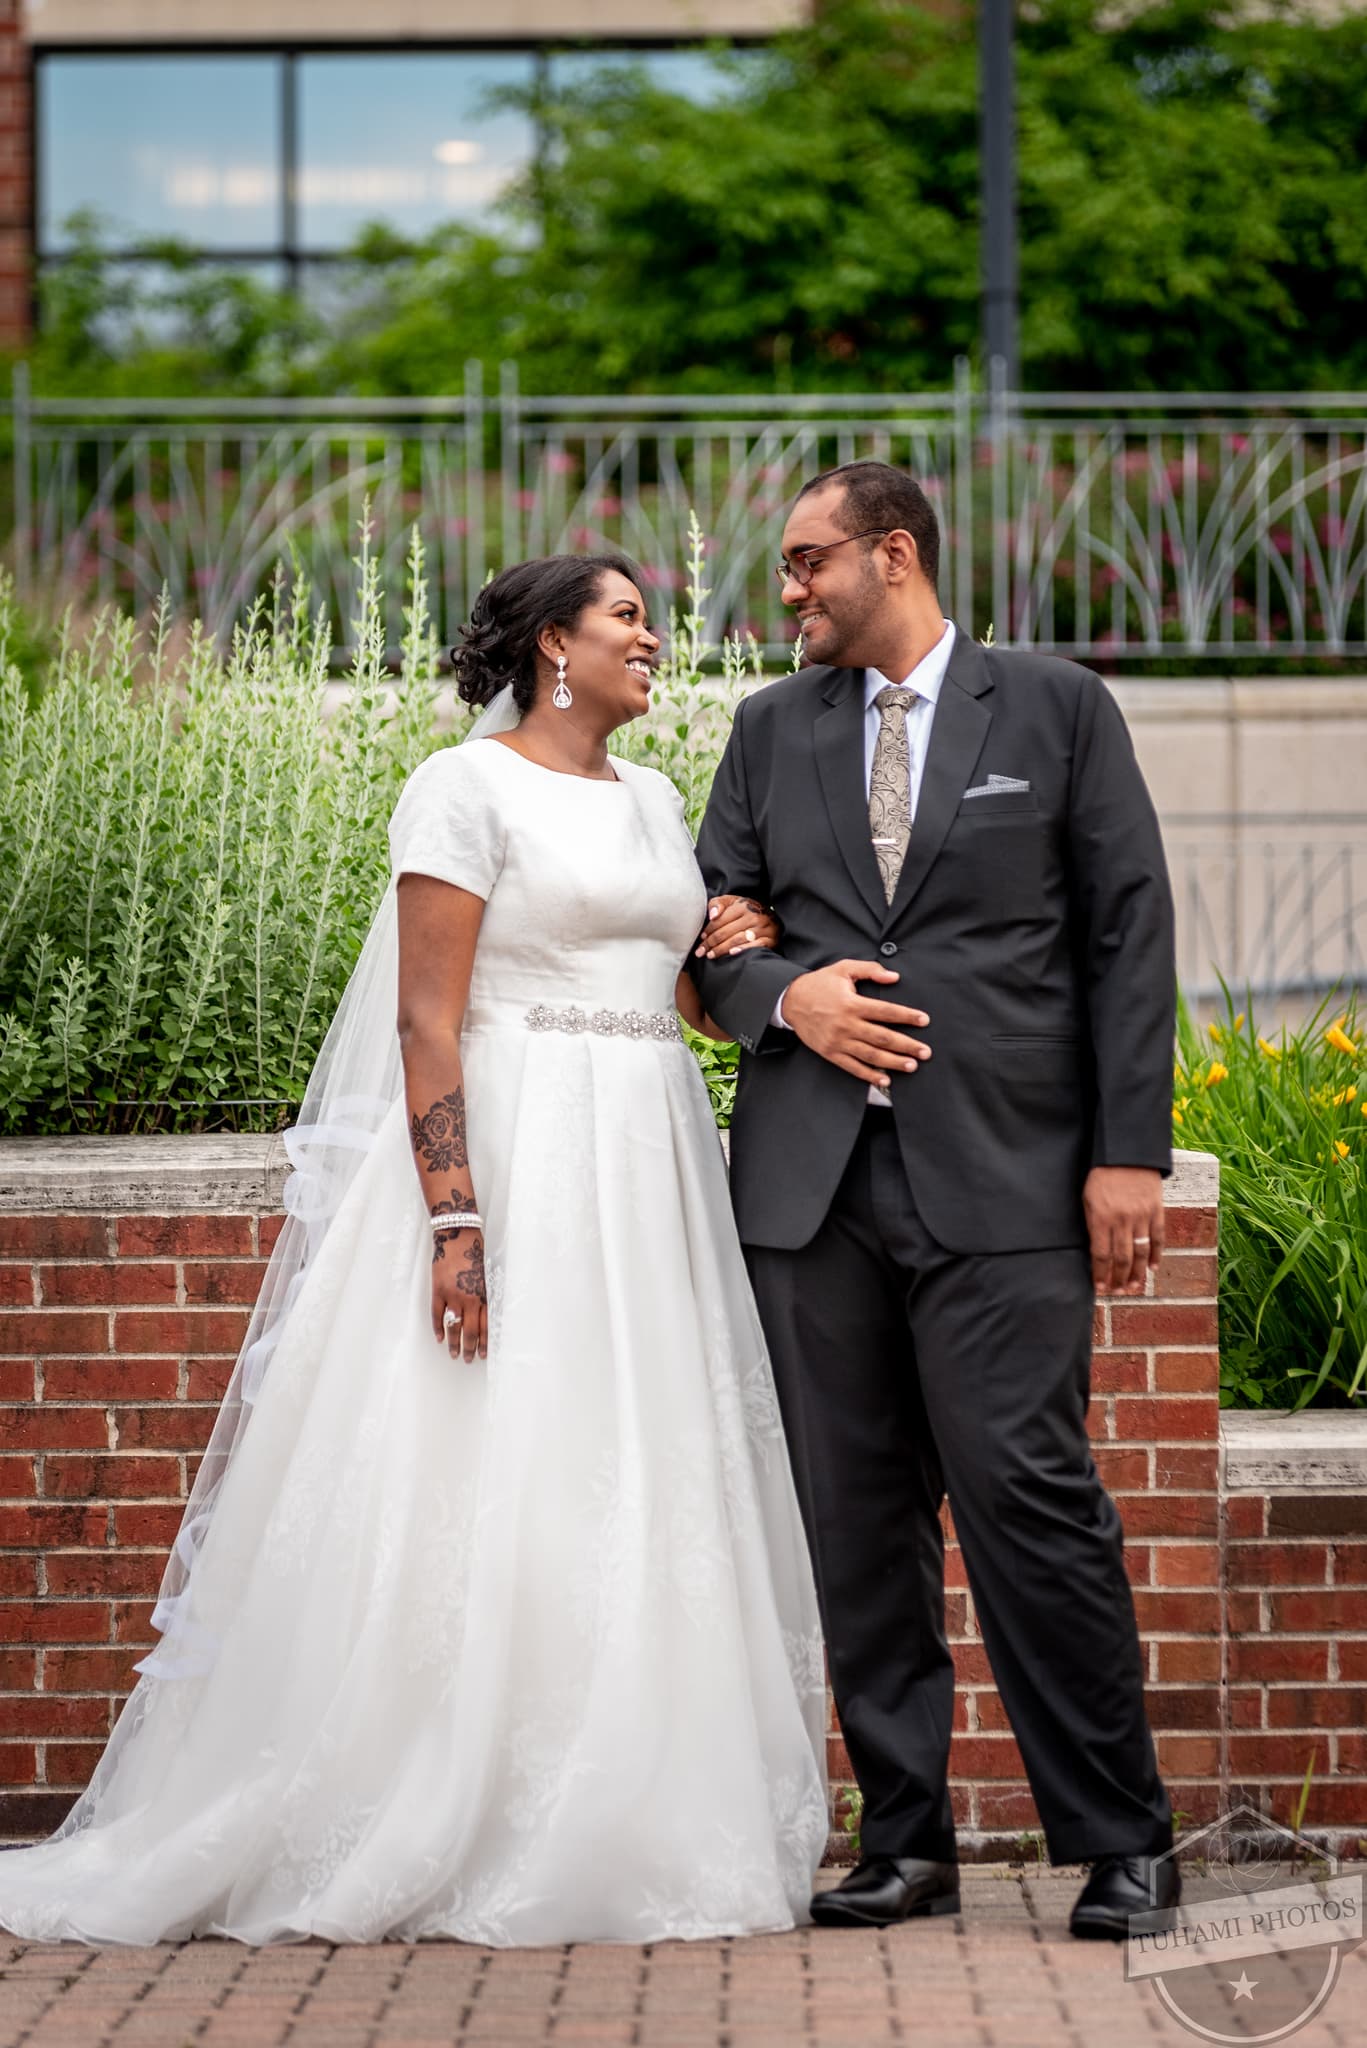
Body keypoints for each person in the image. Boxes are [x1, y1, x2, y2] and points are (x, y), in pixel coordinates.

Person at [0, 553, 828, 1948]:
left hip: (649, 1164)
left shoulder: (653, 799)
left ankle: (625, 1799)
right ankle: (447, 1796)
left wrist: (733, 934)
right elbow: (426, 1019)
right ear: (554, 642)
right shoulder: (462, 788)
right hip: (520, 1152)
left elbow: (672, 990)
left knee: (633, 1455)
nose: (654, 639)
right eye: (628, 618)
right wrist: (456, 1219)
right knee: (497, 1453)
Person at [691, 462, 1181, 1941]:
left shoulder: (1057, 709)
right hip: (813, 1193)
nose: (786, 590)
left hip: (1010, 1182)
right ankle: (905, 1844)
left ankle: (1121, 1836)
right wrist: (790, 998)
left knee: (1033, 1501)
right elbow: (711, 938)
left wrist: (1130, 1155)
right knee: (856, 1522)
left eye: (806, 562)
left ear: (892, 554)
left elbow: (1129, 932)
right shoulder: (769, 729)